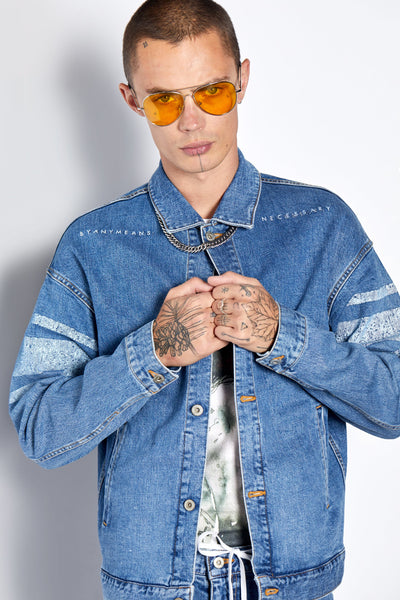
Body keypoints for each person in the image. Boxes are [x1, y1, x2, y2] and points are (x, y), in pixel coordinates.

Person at [9, 0, 400, 599]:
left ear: (242, 79)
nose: (191, 122)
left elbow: (393, 398)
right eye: (165, 100)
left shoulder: (320, 224)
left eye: (212, 93)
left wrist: (283, 336)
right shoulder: (94, 244)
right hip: (155, 586)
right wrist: (152, 353)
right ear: (131, 99)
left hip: (293, 584)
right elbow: (41, 430)